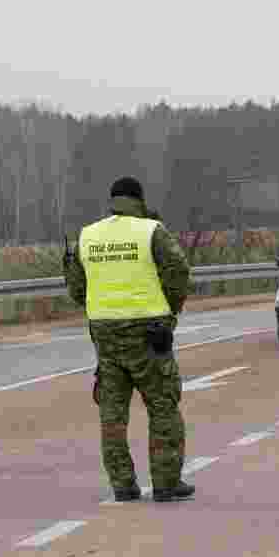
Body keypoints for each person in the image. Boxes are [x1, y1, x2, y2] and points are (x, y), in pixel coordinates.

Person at [65, 177, 193, 503]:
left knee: (112, 413)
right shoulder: (151, 231)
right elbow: (178, 271)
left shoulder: (88, 235)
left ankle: (122, 484)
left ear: (112, 201)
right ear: (139, 200)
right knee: (163, 406)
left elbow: (77, 288)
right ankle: (165, 482)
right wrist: (170, 313)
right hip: (150, 333)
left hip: (104, 334)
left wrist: (102, 309)